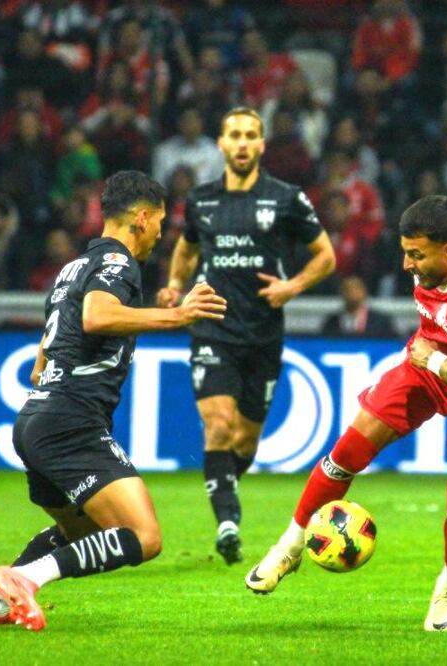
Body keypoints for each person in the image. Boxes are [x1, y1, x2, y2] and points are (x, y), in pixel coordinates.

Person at [245, 195, 447, 633]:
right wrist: (431, 362)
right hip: (426, 368)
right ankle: (289, 546)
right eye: (405, 252)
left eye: (416, 255)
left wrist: (432, 360)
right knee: (347, 451)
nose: (406, 265)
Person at [0, 171, 227, 631]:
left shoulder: (70, 269)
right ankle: (24, 579)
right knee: (144, 538)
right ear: (141, 218)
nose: (163, 233)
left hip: (35, 418)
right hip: (70, 422)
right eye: (161, 222)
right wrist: (178, 314)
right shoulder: (118, 264)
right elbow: (97, 316)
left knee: (80, 533)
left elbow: (40, 364)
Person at [156, 107, 336, 565]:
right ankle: (227, 522)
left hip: (262, 334)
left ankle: (225, 489)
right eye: (233, 134)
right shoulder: (201, 200)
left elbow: (325, 256)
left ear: (260, 145)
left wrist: (292, 286)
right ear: (221, 143)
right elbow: (187, 248)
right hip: (212, 327)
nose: (241, 143)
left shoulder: (286, 198)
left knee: (245, 442)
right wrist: (176, 285)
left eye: (250, 135)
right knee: (218, 425)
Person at [321, 275, 396, 338]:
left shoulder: (380, 322)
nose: (352, 293)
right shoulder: (332, 322)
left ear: (364, 292)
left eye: (356, 290)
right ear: (341, 293)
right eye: (348, 290)